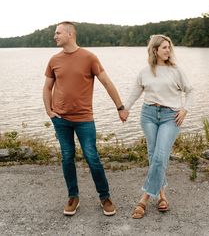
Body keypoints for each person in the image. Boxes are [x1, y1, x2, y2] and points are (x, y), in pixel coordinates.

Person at [43, 21, 127, 216]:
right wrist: (49, 111)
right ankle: (73, 197)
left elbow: (107, 82)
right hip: (60, 119)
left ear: (70, 34)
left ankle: (104, 197)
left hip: (84, 119)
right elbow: (47, 87)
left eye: (58, 33)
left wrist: (120, 107)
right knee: (67, 157)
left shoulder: (89, 57)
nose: (55, 36)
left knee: (92, 157)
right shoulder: (54, 60)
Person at [124, 34, 193, 219]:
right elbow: (135, 92)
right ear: (155, 50)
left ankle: (144, 198)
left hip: (171, 117)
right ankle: (162, 196)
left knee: (160, 156)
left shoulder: (176, 70)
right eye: (164, 47)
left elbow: (190, 91)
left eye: (169, 47)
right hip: (148, 115)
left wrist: (185, 109)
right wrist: (125, 109)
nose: (168, 50)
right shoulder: (145, 72)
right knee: (153, 155)